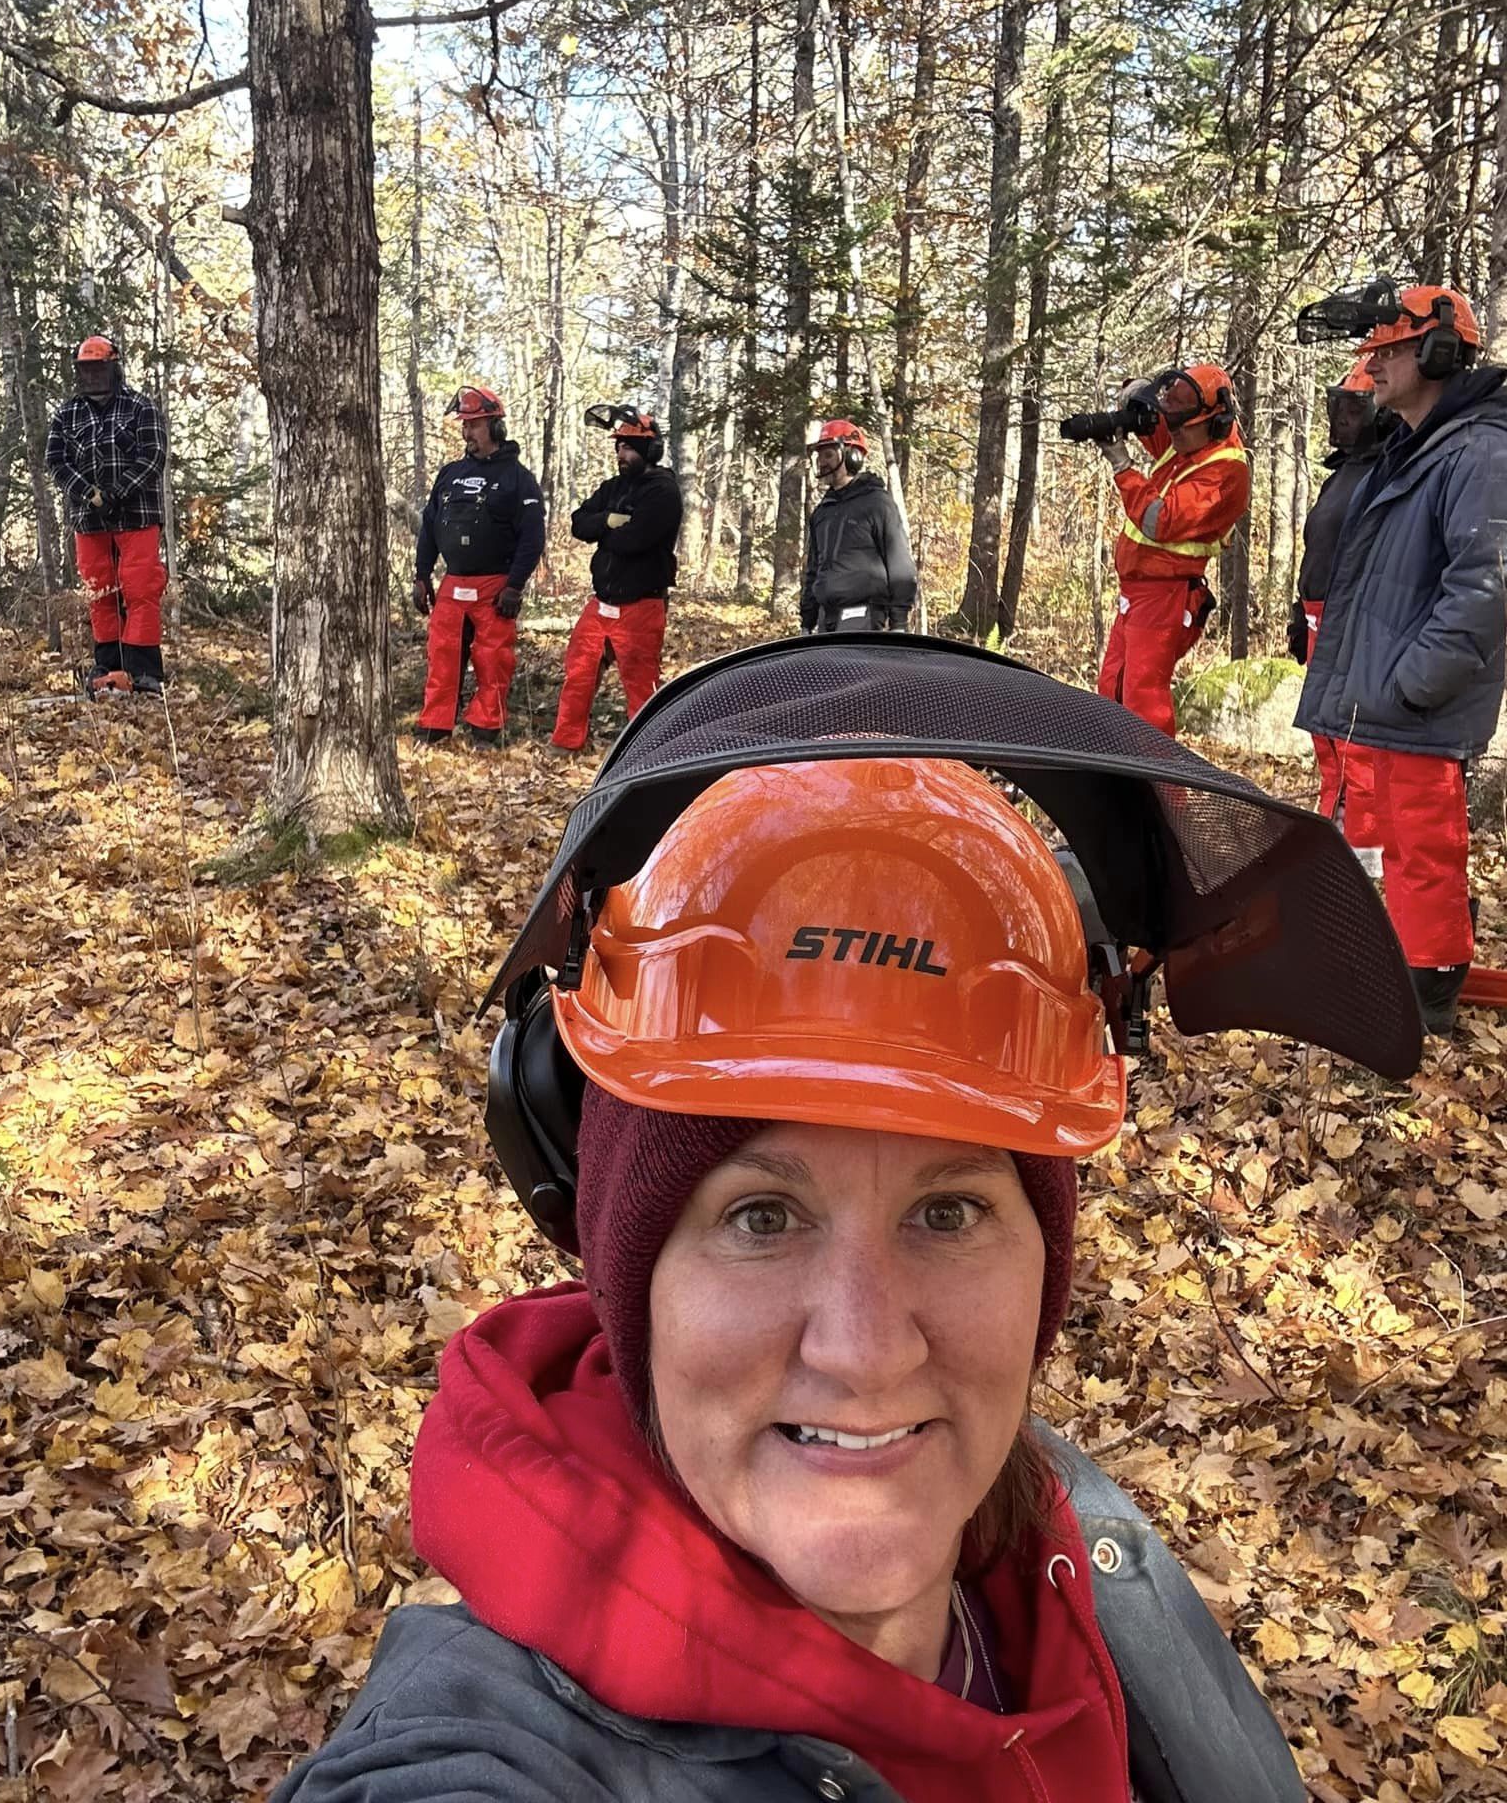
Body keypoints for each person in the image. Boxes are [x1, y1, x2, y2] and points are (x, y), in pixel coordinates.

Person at [275, 756, 1302, 1803]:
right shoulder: (488, 1757)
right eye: (761, 1216)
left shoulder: (1063, 1529)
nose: (864, 1351)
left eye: (947, 1211)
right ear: (635, 1287)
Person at [1294, 281, 1507, 1035]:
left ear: (1439, 351)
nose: (1371, 364)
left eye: (1387, 350)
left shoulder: (1479, 450)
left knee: (1424, 849)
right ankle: (1396, 969)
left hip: (1416, 700)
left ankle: (1427, 1000)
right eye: (1369, 349)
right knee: (1392, 844)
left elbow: (1486, 586)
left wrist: (1414, 683)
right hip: (1382, 697)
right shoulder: (1417, 449)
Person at [1094, 365, 1249, 736]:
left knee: (1143, 699)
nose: (1173, 434)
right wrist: (1137, 393)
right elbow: (1159, 428)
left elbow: (1159, 520)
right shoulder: (1184, 443)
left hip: (1167, 594)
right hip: (1136, 592)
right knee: (1113, 686)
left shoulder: (1225, 471)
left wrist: (1122, 466)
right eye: (1171, 424)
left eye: (1181, 427)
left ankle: (1161, 789)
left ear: (1214, 422)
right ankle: (1115, 778)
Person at [1287, 361, 1392, 868]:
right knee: (1327, 738)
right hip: (1318, 617)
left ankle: (1365, 857)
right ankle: (1337, 832)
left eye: (1356, 408)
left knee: (1357, 743)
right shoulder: (1345, 472)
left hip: (1353, 621)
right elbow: (1320, 546)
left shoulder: (1388, 469)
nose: (1344, 418)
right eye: (1340, 407)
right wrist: (1298, 610)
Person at [412, 386, 545, 747]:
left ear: (495, 427)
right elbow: (429, 525)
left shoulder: (519, 479)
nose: (468, 432)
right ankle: (435, 726)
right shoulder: (450, 474)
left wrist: (515, 584)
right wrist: (422, 575)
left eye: (475, 424)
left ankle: (486, 728)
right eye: (465, 425)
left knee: (493, 660)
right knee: (442, 656)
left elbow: (532, 538)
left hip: (495, 585)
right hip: (453, 584)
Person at [550, 403, 681, 754]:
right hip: (602, 600)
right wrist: (608, 520)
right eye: (617, 446)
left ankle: (646, 753)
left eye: (626, 446)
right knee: (578, 672)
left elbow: (635, 540)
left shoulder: (663, 492)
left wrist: (605, 531)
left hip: (641, 603)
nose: (619, 453)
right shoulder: (613, 488)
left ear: (647, 450)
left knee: (641, 686)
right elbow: (579, 523)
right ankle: (566, 742)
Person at [45, 332, 169, 695]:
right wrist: (87, 493)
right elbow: (56, 461)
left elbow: (153, 456)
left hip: (137, 516)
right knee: (99, 590)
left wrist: (118, 492)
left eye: (99, 369)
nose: (93, 377)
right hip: (89, 520)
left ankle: (144, 670)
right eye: (86, 371)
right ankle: (109, 664)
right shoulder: (67, 415)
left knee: (140, 587)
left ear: (113, 368)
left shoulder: (140, 407)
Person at [800, 417, 918, 634]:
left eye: (828, 454)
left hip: (862, 614)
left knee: (852, 669)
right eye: (819, 456)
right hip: (827, 617)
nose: (822, 462)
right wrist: (807, 621)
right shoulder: (822, 512)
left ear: (852, 456)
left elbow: (899, 563)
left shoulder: (877, 503)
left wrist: (899, 623)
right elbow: (814, 569)